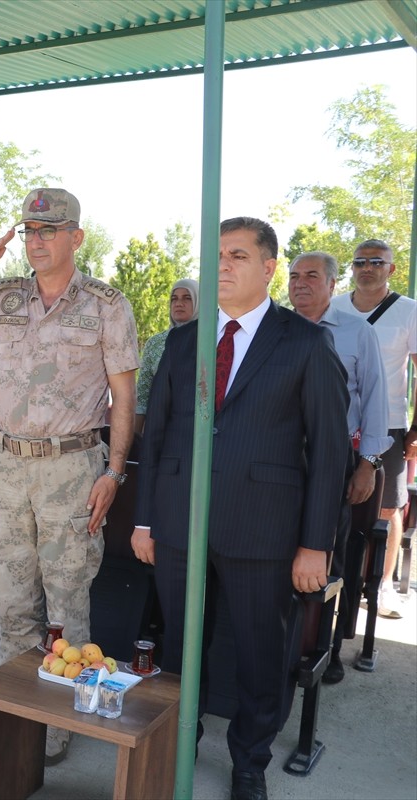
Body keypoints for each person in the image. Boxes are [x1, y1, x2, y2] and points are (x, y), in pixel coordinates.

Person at [133, 217, 347, 800]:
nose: (222, 265)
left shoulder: (305, 343)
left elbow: (329, 453)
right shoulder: (183, 340)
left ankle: (249, 760)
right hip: (179, 525)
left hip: (263, 530)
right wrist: (147, 518)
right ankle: (179, 740)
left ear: (269, 267)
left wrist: (315, 544)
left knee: (259, 653)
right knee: (181, 646)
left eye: (237, 256)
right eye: (216, 255)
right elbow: (158, 440)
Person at [0, 188, 139, 764]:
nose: (38, 240)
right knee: (12, 600)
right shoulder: (3, 297)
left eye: (50, 230)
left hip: (73, 466)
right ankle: (18, 715)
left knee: (66, 603)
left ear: (76, 236)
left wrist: (114, 473)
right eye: (29, 230)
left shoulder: (105, 303)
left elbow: (124, 397)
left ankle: (58, 725)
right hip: (8, 465)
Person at [288, 250, 390, 684]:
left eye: (311, 275)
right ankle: (283, 644)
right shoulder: (276, 328)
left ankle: (323, 650)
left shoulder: (356, 332)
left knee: (328, 556)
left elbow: (375, 400)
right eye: (293, 275)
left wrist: (367, 465)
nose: (300, 283)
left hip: (335, 459)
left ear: (333, 285)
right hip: (278, 460)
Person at [330, 239, 416, 620]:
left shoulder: (408, 312)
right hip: (335, 422)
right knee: (334, 500)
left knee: (387, 505)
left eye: (376, 262)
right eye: (360, 261)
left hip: (389, 423)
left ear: (391, 269)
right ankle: (336, 578)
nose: (367, 268)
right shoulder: (332, 308)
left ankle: (381, 585)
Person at [135, 278, 200, 432]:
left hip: (198, 430)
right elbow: (143, 396)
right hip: (160, 428)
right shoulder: (156, 343)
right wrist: (135, 439)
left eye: (187, 298)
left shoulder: (210, 341)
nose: (178, 303)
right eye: (174, 298)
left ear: (199, 302)